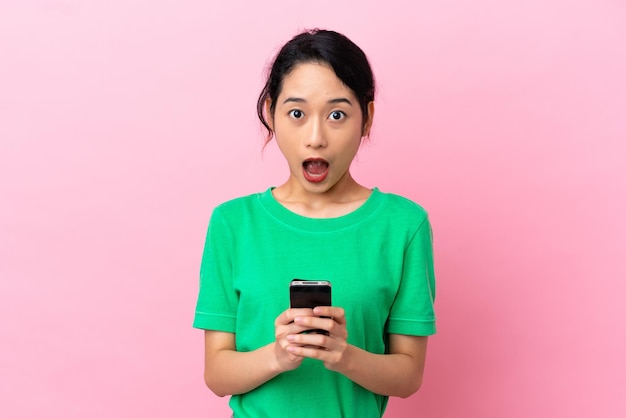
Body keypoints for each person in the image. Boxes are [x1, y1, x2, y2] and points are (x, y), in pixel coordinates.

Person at [193, 28, 436, 418]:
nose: (316, 138)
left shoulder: (404, 225)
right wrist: (279, 355)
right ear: (271, 114)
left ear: (367, 119)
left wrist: (343, 355)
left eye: (337, 114)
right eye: (296, 113)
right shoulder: (232, 224)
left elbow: (408, 376)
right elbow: (218, 376)